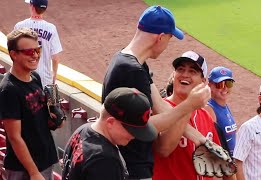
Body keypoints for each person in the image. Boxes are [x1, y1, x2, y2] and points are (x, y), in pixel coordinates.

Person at [101, 5, 210, 179]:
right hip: (131, 169)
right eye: (169, 38)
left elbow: (160, 106)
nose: (168, 44)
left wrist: (200, 139)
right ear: (160, 37)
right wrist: (189, 105)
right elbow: (142, 126)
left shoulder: (134, 63)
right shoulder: (131, 71)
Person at [0, 28, 59, 180]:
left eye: (37, 50)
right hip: (24, 170)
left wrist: (55, 119)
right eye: (28, 51)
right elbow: (15, 137)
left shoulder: (35, 77)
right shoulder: (9, 90)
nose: (35, 55)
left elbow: (39, 120)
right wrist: (33, 172)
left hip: (45, 161)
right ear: (14, 54)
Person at [152, 51, 221, 180]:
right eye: (180, 69)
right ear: (173, 75)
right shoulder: (160, 109)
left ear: (203, 81)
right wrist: (190, 104)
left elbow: (217, 163)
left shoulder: (205, 117)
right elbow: (163, 149)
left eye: (192, 71)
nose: (185, 75)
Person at [62, 87, 157, 180]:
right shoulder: (104, 161)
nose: (133, 136)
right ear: (110, 122)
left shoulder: (82, 130)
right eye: (131, 130)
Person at [14, 0, 63, 87]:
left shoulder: (19, 26)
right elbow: (55, 58)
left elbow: (13, 53)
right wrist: (54, 75)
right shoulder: (51, 28)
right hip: (45, 79)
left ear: (32, 6)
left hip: (23, 78)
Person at [204, 66, 237, 180]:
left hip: (231, 164)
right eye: (219, 85)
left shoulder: (224, 105)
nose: (224, 88)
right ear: (210, 86)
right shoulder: (209, 109)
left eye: (228, 84)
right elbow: (213, 148)